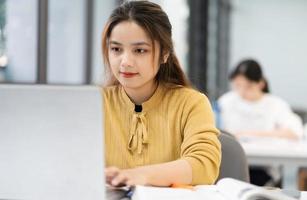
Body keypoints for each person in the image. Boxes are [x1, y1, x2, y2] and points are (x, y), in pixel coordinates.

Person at [102, 0, 221, 187]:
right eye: (116, 49)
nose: (125, 61)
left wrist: (140, 175)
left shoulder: (191, 103)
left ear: (165, 53)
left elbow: (203, 166)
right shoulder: (95, 103)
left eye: (140, 50)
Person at [218, 59, 303, 186]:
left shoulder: (275, 104)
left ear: (261, 83)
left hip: (263, 169)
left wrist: (249, 134)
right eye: (237, 86)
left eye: (248, 86)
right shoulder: (226, 101)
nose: (242, 92)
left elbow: (295, 132)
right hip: (230, 166)